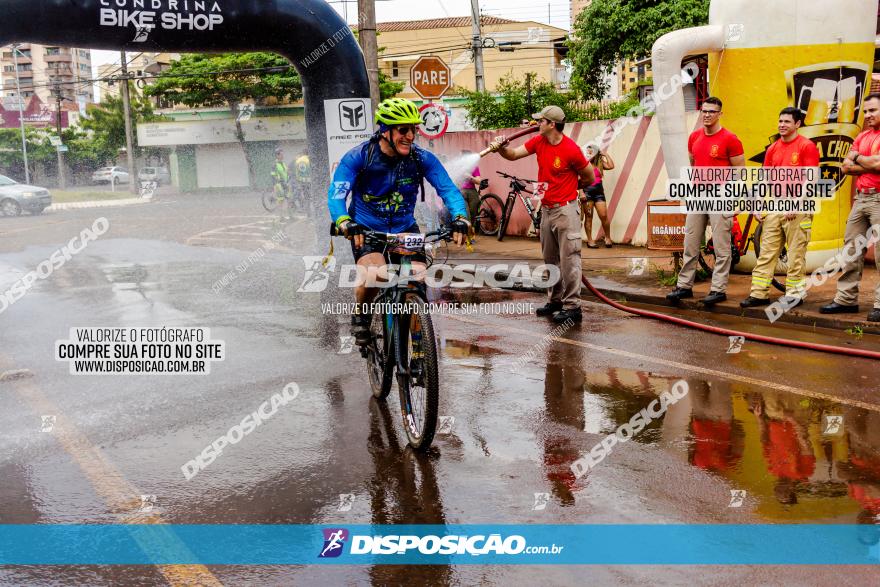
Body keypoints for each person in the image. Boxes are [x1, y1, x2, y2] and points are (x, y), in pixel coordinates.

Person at [328, 98, 470, 344]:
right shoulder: (359, 157)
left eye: (413, 129)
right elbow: (337, 195)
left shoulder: (421, 158)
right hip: (367, 229)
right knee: (376, 275)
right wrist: (344, 221)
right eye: (403, 129)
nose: (410, 136)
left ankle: (418, 347)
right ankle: (361, 314)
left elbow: (449, 190)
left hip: (405, 228)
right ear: (385, 130)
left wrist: (460, 217)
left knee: (416, 281)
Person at [489, 105, 594, 323]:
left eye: (541, 121)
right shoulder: (539, 142)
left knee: (570, 261)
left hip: (566, 210)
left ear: (552, 124)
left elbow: (589, 177)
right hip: (546, 209)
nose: (537, 124)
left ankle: (573, 307)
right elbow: (514, 154)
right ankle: (555, 300)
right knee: (550, 260)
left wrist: (570, 190)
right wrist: (501, 148)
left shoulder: (571, 149)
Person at [667, 96, 746, 307]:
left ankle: (718, 289)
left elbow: (740, 171)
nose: (707, 115)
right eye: (704, 111)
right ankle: (684, 286)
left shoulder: (730, 139)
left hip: (721, 194)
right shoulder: (694, 137)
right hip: (698, 194)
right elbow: (694, 163)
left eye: (712, 111)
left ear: (720, 113)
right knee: (690, 242)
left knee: (721, 246)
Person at [740, 107, 819, 309]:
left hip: (798, 206)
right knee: (767, 252)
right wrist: (757, 203)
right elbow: (765, 179)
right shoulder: (773, 149)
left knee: (795, 254)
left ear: (797, 124)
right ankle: (759, 294)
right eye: (780, 121)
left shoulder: (806, 146)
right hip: (775, 204)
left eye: (787, 122)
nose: (782, 125)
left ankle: (795, 294)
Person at [820, 93, 880, 323]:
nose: (868, 115)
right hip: (861, 198)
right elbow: (845, 167)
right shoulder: (863, 136)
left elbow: (877, 164)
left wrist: (859, 158)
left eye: (873, 110)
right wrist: (866, 162)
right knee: (851, 250)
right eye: (865, 111)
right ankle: (846, 299)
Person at [580, 143, 615, 249]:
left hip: (599, 193)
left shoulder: (600, 164)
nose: (589, 154)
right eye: (588, 152)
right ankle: (590, 241)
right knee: (589, 217)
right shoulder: (583, 164)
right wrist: (581, 192)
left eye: (591, 152)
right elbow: (578, 178)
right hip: (587, 193)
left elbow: (611, 166)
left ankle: (608, 238)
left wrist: (605, 154)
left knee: (604, 216)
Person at [459, 149, 483, 223]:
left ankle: (472, 231)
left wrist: (470, 177)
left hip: (472, 192)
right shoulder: (458, 167)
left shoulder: (474, 167)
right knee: (466, 215)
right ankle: (468, 231)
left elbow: (479, 181)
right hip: (461, 192)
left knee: (474, 215)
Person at [270, 146, 292, 219]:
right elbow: (273, 176)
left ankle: (290, 215)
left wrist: (289, 176)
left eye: (283, 154)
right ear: (277, 155)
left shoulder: (283, 163)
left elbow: (286, 172)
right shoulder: (275, 165)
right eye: (281, 154)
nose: (283, 156)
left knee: (289, 199)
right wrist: (275, 186)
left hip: (285, 184)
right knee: (281, 201)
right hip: (279, 185)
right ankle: (281, 216)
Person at [294, 148, 311, 213]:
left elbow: (296, 172)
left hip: (301, 181)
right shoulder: (309, 160)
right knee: (309, 196)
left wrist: (298, 180)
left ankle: (306, 210)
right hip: (309, 182)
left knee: (305, 195)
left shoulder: (298, 160)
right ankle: (309, 210)